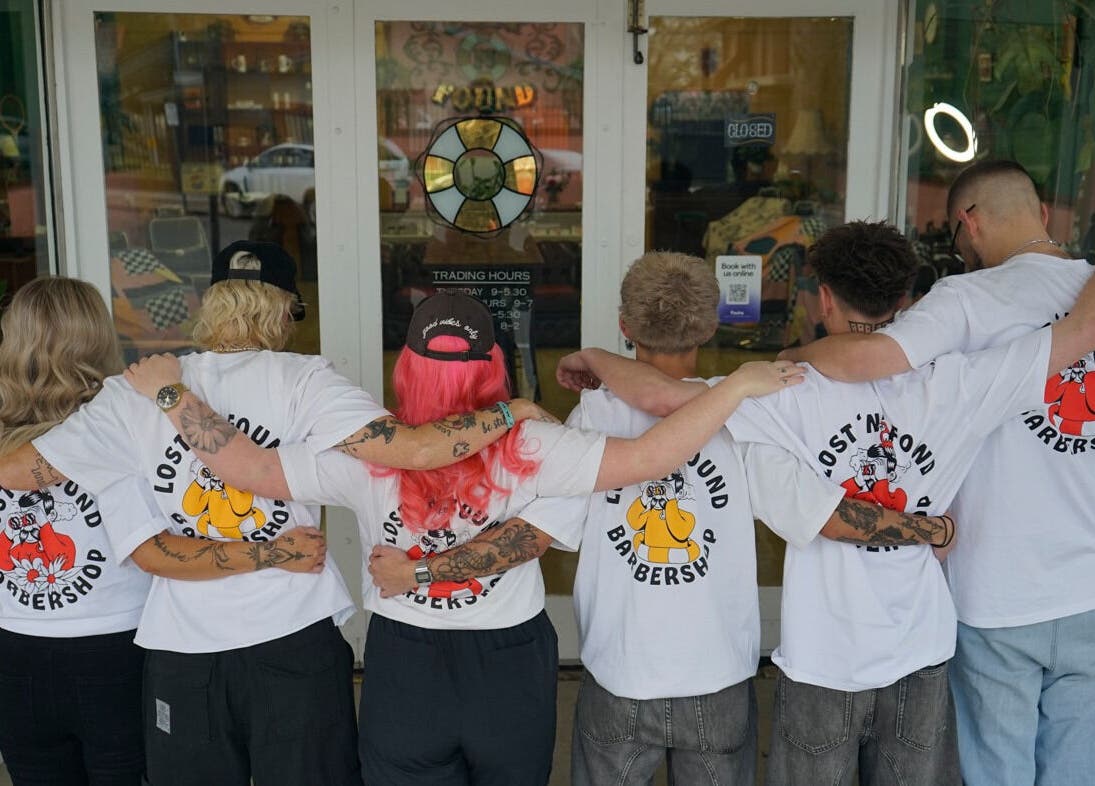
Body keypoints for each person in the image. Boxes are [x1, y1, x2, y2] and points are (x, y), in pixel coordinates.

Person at [123, 289, 806, 786]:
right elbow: (653, 455)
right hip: (507, 664)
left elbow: (249, 468)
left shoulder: (366, 448)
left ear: (405, 366)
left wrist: (170, 395)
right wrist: (736, 386)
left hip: (404, 667)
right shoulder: (534, 440)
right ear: (492, 368)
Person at [554, 220, 1095, 786]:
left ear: (825, 299)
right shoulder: (962, 382)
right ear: (907, 302)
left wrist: (593, 356)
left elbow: (661, 400)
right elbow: (1078, 332)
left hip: (822, 655)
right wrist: (933, 532)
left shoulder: (784, 387)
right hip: (919, 648)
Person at [0, 242, 560, 786]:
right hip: (294, 636)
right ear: (288, 311)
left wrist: (65, 409)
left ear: (210, 305)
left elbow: (18, 472)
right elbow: (415, 450)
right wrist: (514, 410)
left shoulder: (131, 394)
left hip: (184, 649)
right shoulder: (307, 381)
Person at [453, 251, 955, 786]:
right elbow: (826, 515)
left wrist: (430, 567)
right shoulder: (745, 414)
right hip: (718, 678)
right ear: (710, 327)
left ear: (625, 326)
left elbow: (544, 530)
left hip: (620, 672)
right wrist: (933, 529)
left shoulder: (591, 416)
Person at [778, 162, 1095, 786]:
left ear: (967, 224)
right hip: (1090, 583)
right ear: (1044, 216)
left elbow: (873, 358)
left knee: (995, 768)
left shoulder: (966, 300)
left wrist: (788, 360)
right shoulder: (1087, 289)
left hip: (999, 586)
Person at [0, 278, 328, 786]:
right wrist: (273, 552)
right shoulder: (122, 419)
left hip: (14, 647)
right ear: (97, 336)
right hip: (114, 648)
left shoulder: (107, 419)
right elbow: (153, 553)